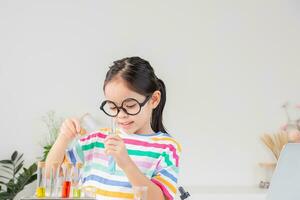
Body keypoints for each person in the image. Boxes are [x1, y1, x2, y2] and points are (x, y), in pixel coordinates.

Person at [46, 56, 181, 200]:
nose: (121, 115)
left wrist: (127, 164)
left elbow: (160, 198)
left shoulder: (166, 147)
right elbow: (50, 175)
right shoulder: (96, 140)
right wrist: (63, 138)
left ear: (154, 100)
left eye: (130, 106)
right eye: (113, 107)